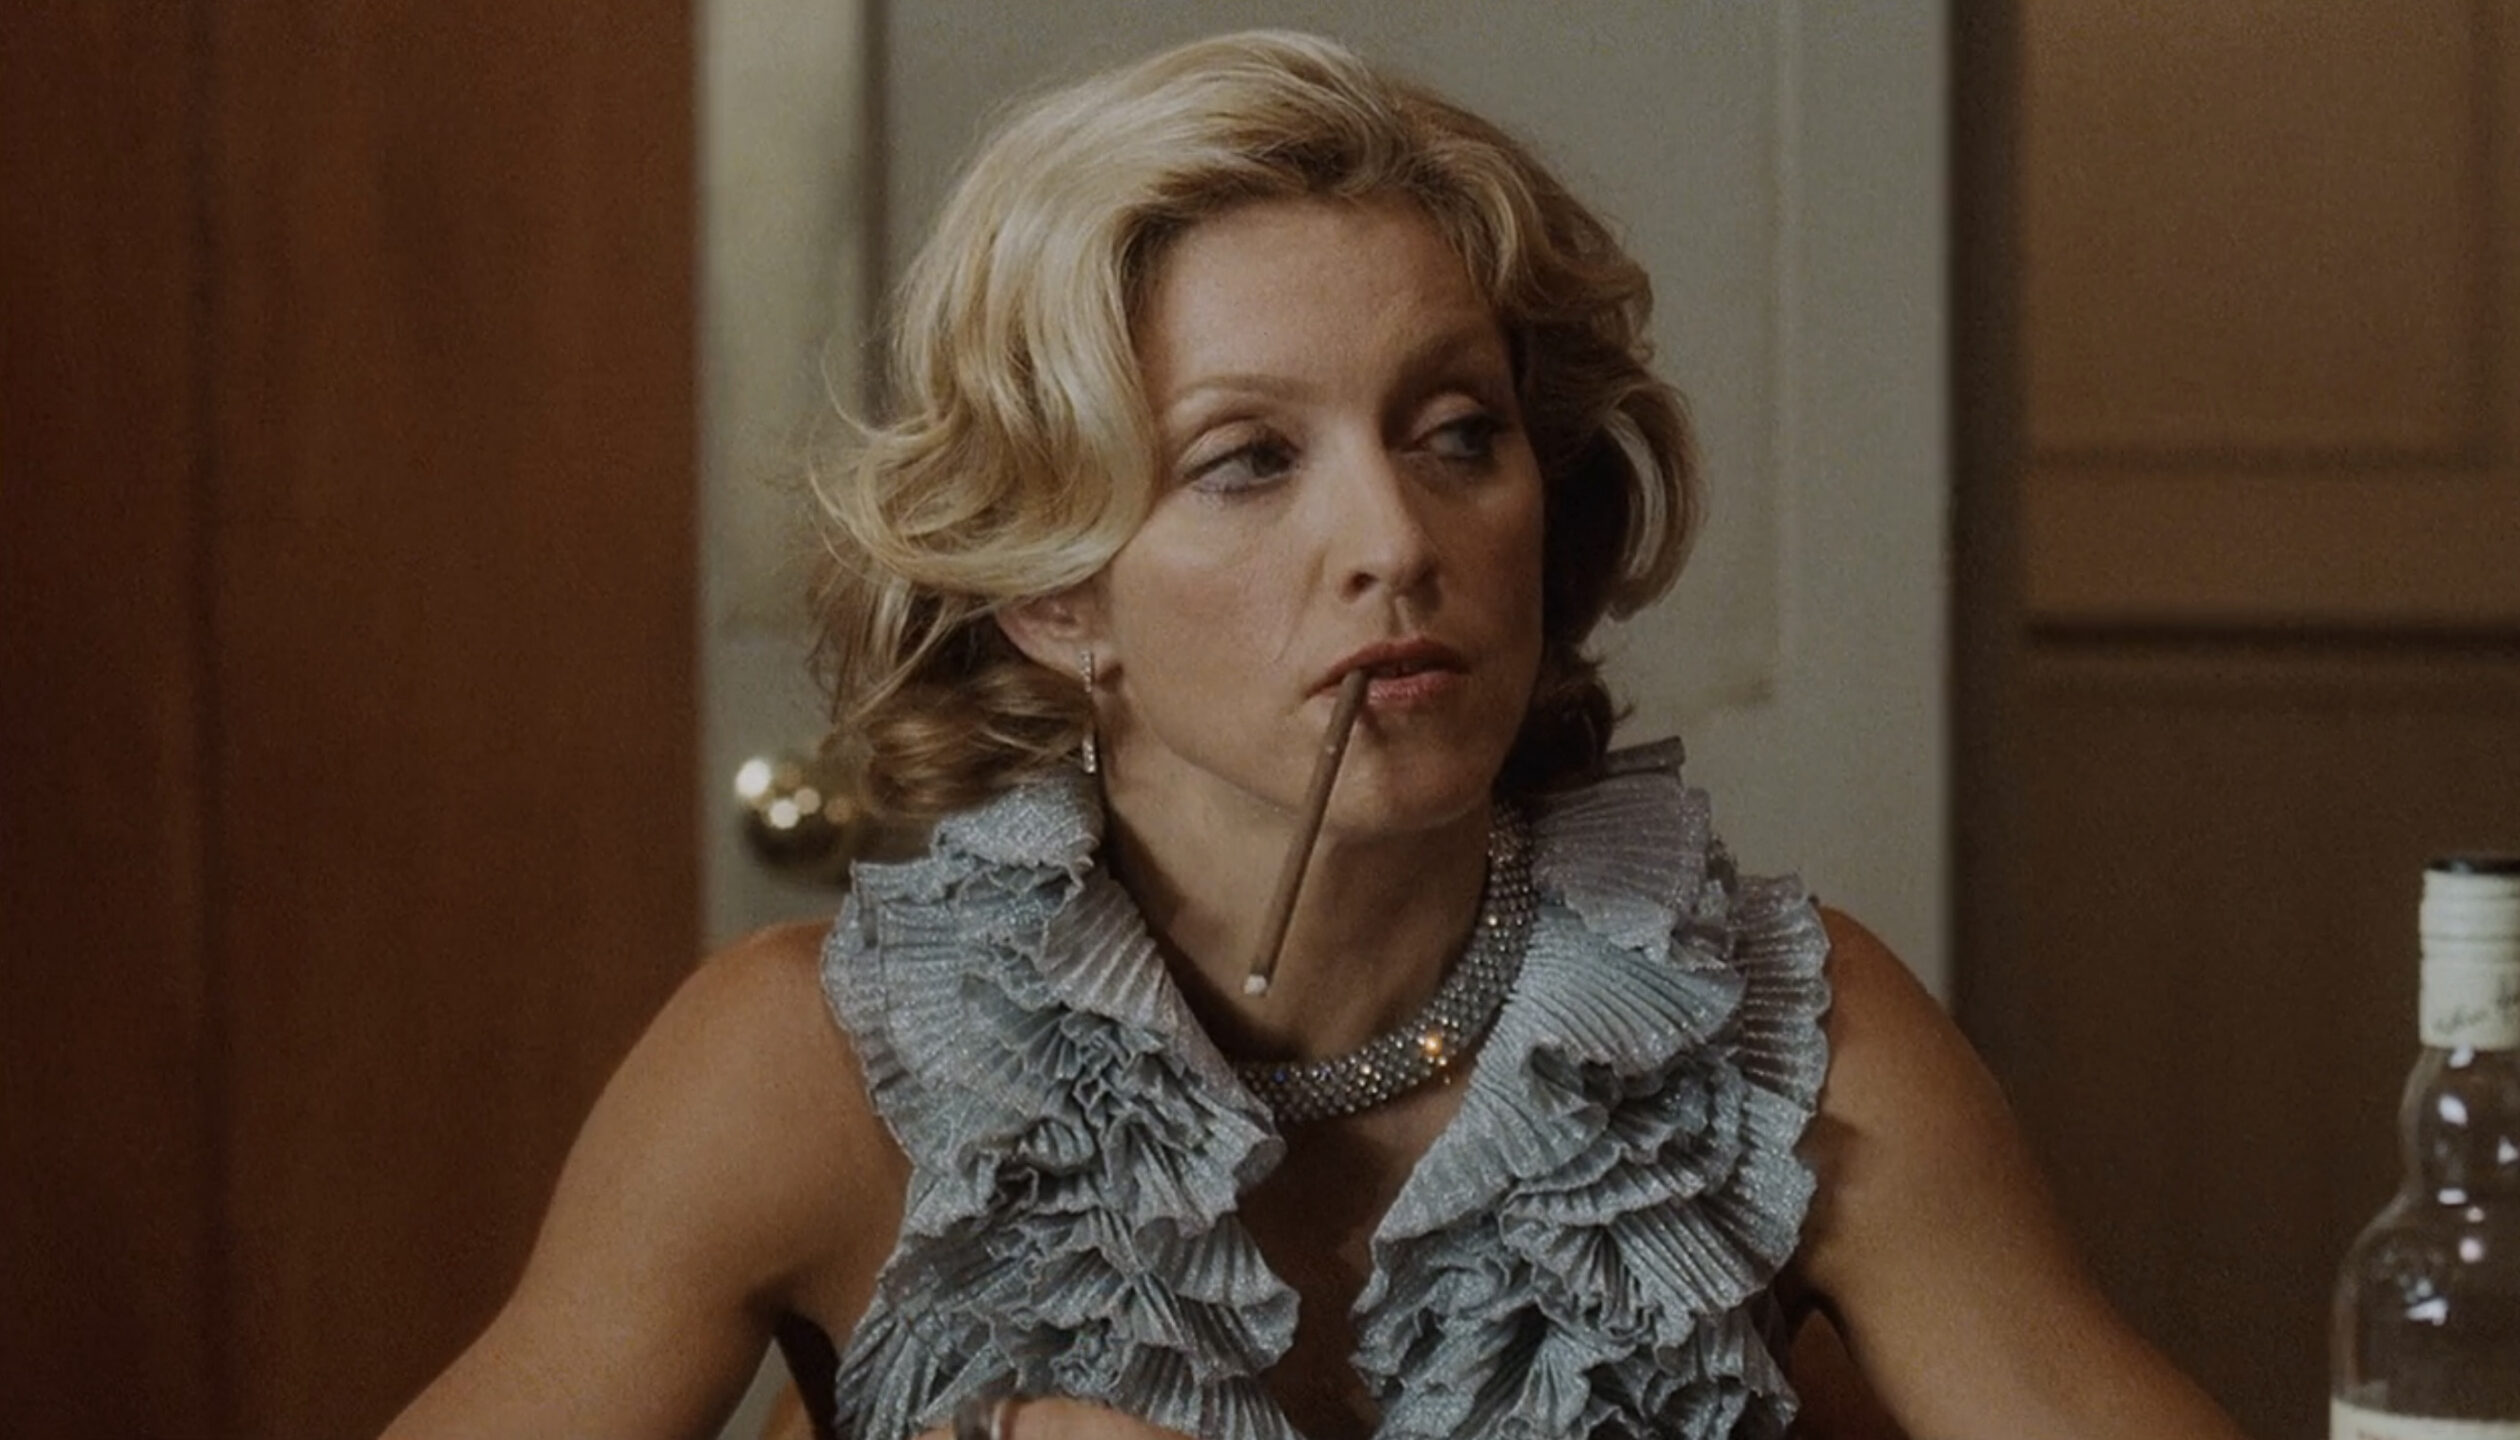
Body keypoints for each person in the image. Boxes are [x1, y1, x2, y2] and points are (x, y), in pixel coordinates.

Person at [385, 30, 2253, 1440]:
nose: (1396, 541)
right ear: (1056, 594)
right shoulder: (799, 1072)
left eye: (1456, 434)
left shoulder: (1795, 1041)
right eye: (1247, 461)